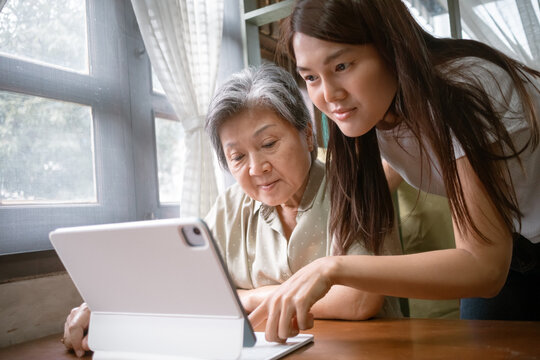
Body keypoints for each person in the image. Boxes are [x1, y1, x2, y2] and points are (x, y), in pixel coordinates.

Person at [248, 0, 540, 342]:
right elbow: (403, 160)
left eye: (342, 65)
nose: (328, 95)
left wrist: (333, 269)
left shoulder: (467, 88)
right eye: (310, 77)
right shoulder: (374, 116)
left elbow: (483, 267)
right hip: (517, 244)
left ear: (390, 47)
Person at [61, 63, 402, 356]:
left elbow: (357, 301)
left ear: (308, 136)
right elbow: (182, 282)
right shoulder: (230, 206)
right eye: (237, 156)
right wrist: (109, 308)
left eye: (268, 144)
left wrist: (246, 298)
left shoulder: (358, 186)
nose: (256, 168)